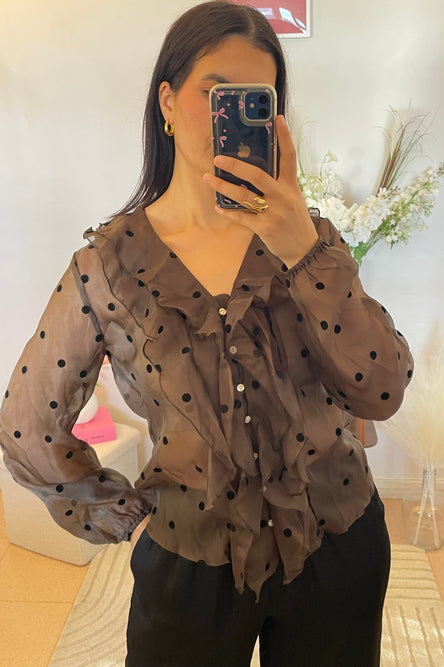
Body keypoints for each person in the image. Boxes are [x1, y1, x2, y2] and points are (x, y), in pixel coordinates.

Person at [0, 2, 413, 665]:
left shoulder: (309, 240)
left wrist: (301, 249)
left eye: (256, 100)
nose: (233, 117)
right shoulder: (109, 266)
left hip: (337, 546)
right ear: (167, 101)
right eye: (216, 93)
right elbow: (27, 426)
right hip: (190, 566)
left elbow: (382, 389)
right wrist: (122, 515)